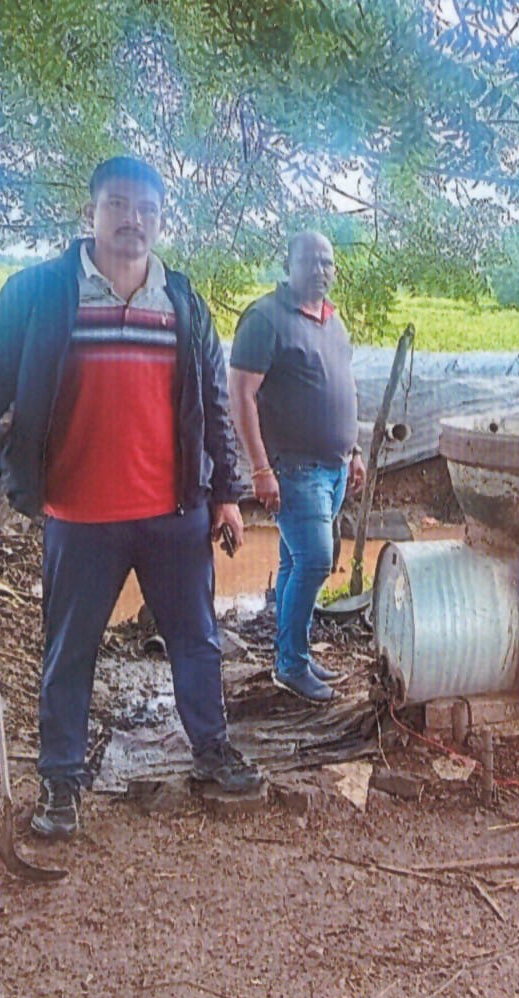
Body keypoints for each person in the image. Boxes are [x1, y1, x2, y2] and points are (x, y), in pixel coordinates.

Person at [0, 156, 262, 840]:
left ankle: (211, 750)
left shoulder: (182, 301)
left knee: (196, 641)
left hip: (172, 512)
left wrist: (225, 495)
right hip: (78, 514)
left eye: (146, 208)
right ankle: (60, 781)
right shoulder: (39, 292)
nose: (132, 219)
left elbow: (213, 404)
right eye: (118, 203)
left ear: (161, 219)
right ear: (91, 212)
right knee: (70, 650)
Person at [229, 232, 364, 704]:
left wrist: (356, 450)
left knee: (293, 562)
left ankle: (294, 654)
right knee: (315, 561)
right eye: (310, 261)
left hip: (335, 467)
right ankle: (290, 665)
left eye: (328, 262)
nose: (321, 270)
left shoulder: (334, 322)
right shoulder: (265, 318)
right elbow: (241, 395)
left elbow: (345, 386)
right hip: (294, 469)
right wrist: (260, 468)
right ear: (288, 263)